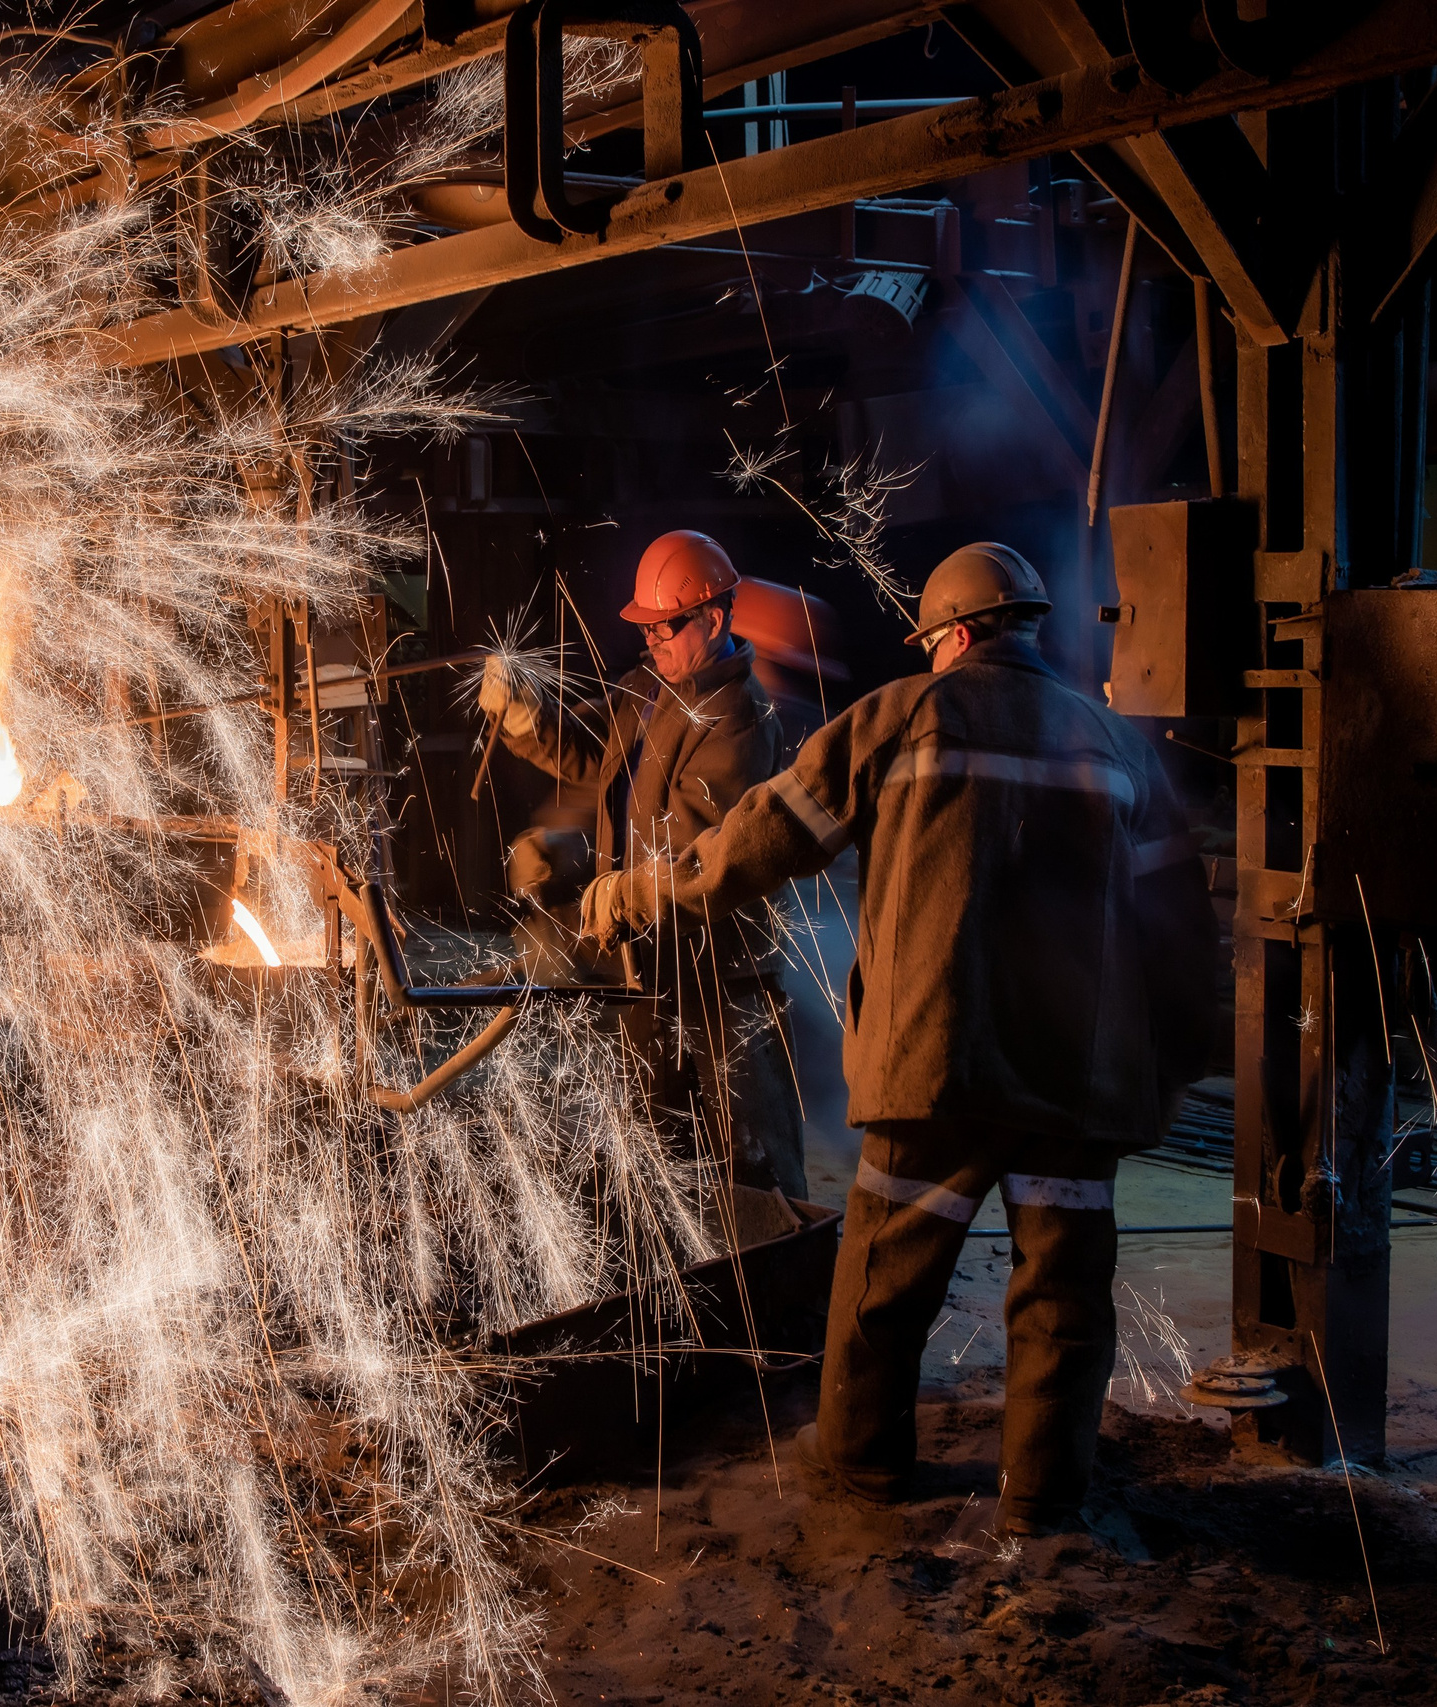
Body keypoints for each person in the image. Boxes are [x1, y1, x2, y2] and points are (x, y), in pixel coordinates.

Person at [585, 542, 1218, 1535]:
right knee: (1062, 1296)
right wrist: (1169, 1068)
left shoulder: (902, 716)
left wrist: (641, 888)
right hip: (1076, 1083)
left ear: (954, 635)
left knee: (885, 1284)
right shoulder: (1114, 744)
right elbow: (1181, 935)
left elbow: (760, 839)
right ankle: (1043, 1500)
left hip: (937, 1062)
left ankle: (862, 1466)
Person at [479, 530, 805, 1198]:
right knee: (663, 1156)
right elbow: (588, 753)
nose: (651, 641)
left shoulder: (740, 720)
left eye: (666, 627)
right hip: (652, 968)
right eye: (647, 628)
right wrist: (525, 717)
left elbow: (693, 852)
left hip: (723, 982)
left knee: (752, 1168)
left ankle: (778, 1286)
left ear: (713, 619)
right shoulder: (650, 689)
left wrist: (608, 889)